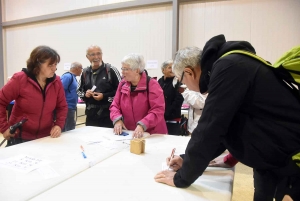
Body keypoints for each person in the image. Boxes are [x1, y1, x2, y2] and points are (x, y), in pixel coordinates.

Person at [154, 35, 300, 201]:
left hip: (290, 160)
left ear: (189, 72)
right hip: (269, 160)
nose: (187, 86)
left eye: (183, 81)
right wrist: (186, 159)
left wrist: (181, 178)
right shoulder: (231, 63)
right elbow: (225, 128)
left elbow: (210, 128)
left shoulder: (228, 66)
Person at [0, 46, 68, 146]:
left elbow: (62, 106)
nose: (54, 69)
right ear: (38, 64)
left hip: (45, 137)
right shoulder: (20, 79)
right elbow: (1, 101)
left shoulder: (56, 81)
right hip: (20, 137)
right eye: (50, 65)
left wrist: (58, 125)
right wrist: (4, 127)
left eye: (55, 65)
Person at [110, 53, 167, 138]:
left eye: (126, 69)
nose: (122, 72)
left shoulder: (152, 84)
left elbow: (157, 110)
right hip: (131, 133)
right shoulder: (122, 84)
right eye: (122, 68)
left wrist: (142, 125)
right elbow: (114, 105)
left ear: (137, 70)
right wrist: (117, 120)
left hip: (152, 134)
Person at [77, 45, 121, 128]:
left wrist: (104, 96)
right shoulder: (85, 72)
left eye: (98, 54)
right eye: (92, 54)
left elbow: (121, 91)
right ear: (87, 57)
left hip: (109, 115)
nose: (96, 57)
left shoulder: (111, 70)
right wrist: (85, 95)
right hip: (91, 115)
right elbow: (79, 90)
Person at [158, 60, 183, 135]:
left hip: (173, 120)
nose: (172, 69)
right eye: (169, 67)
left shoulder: (178, 82)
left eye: (173, 67)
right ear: (163, 70)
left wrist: (168, 113)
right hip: (161, 119)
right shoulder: (159, 81)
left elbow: (179, 99)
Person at [60, 62, 83, 132]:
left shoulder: (73, 78)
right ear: (77, 68)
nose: (82, 70)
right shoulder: (67, 76)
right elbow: (60, 91)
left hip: (71, 107)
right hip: (67, 106)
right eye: (81, 68)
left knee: (71, 127)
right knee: (67, 128)